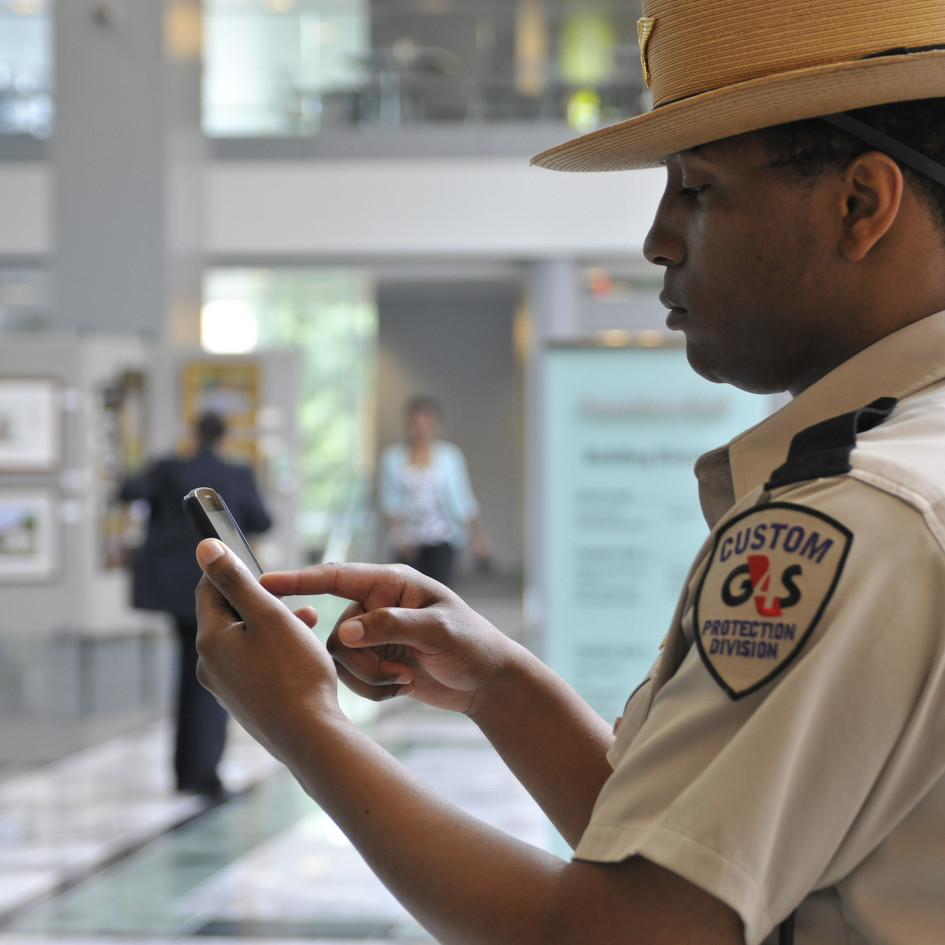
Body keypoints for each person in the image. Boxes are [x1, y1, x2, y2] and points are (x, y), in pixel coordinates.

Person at [191, 0, 945, 940]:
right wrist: (500, 686)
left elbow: (622, 930)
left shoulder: (861, 515)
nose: (657, 238)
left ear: (859, 204)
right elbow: (700, 862)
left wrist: (302, 724)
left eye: (697, 190)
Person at [120, 411, 271, 798]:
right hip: (215, 586)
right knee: (212, 675)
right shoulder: (235, 473)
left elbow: (127, 490)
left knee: (189, 672)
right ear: (225, 436)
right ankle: (203, 774)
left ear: (193, 434)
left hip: (172, 590)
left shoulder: (169, 467)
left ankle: (185, 772)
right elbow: (263, 519)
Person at [379, 395, 491, 586]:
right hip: (409, 541)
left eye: (426, 422)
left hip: (443, 537)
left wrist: (478, 535)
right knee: (409, 594)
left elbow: (463, 499)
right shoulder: (392, 458)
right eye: (416, 422)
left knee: (439, 591)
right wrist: (398, 536)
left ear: (435, 424)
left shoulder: (449, 457)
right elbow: (390, 502)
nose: (420, 427)